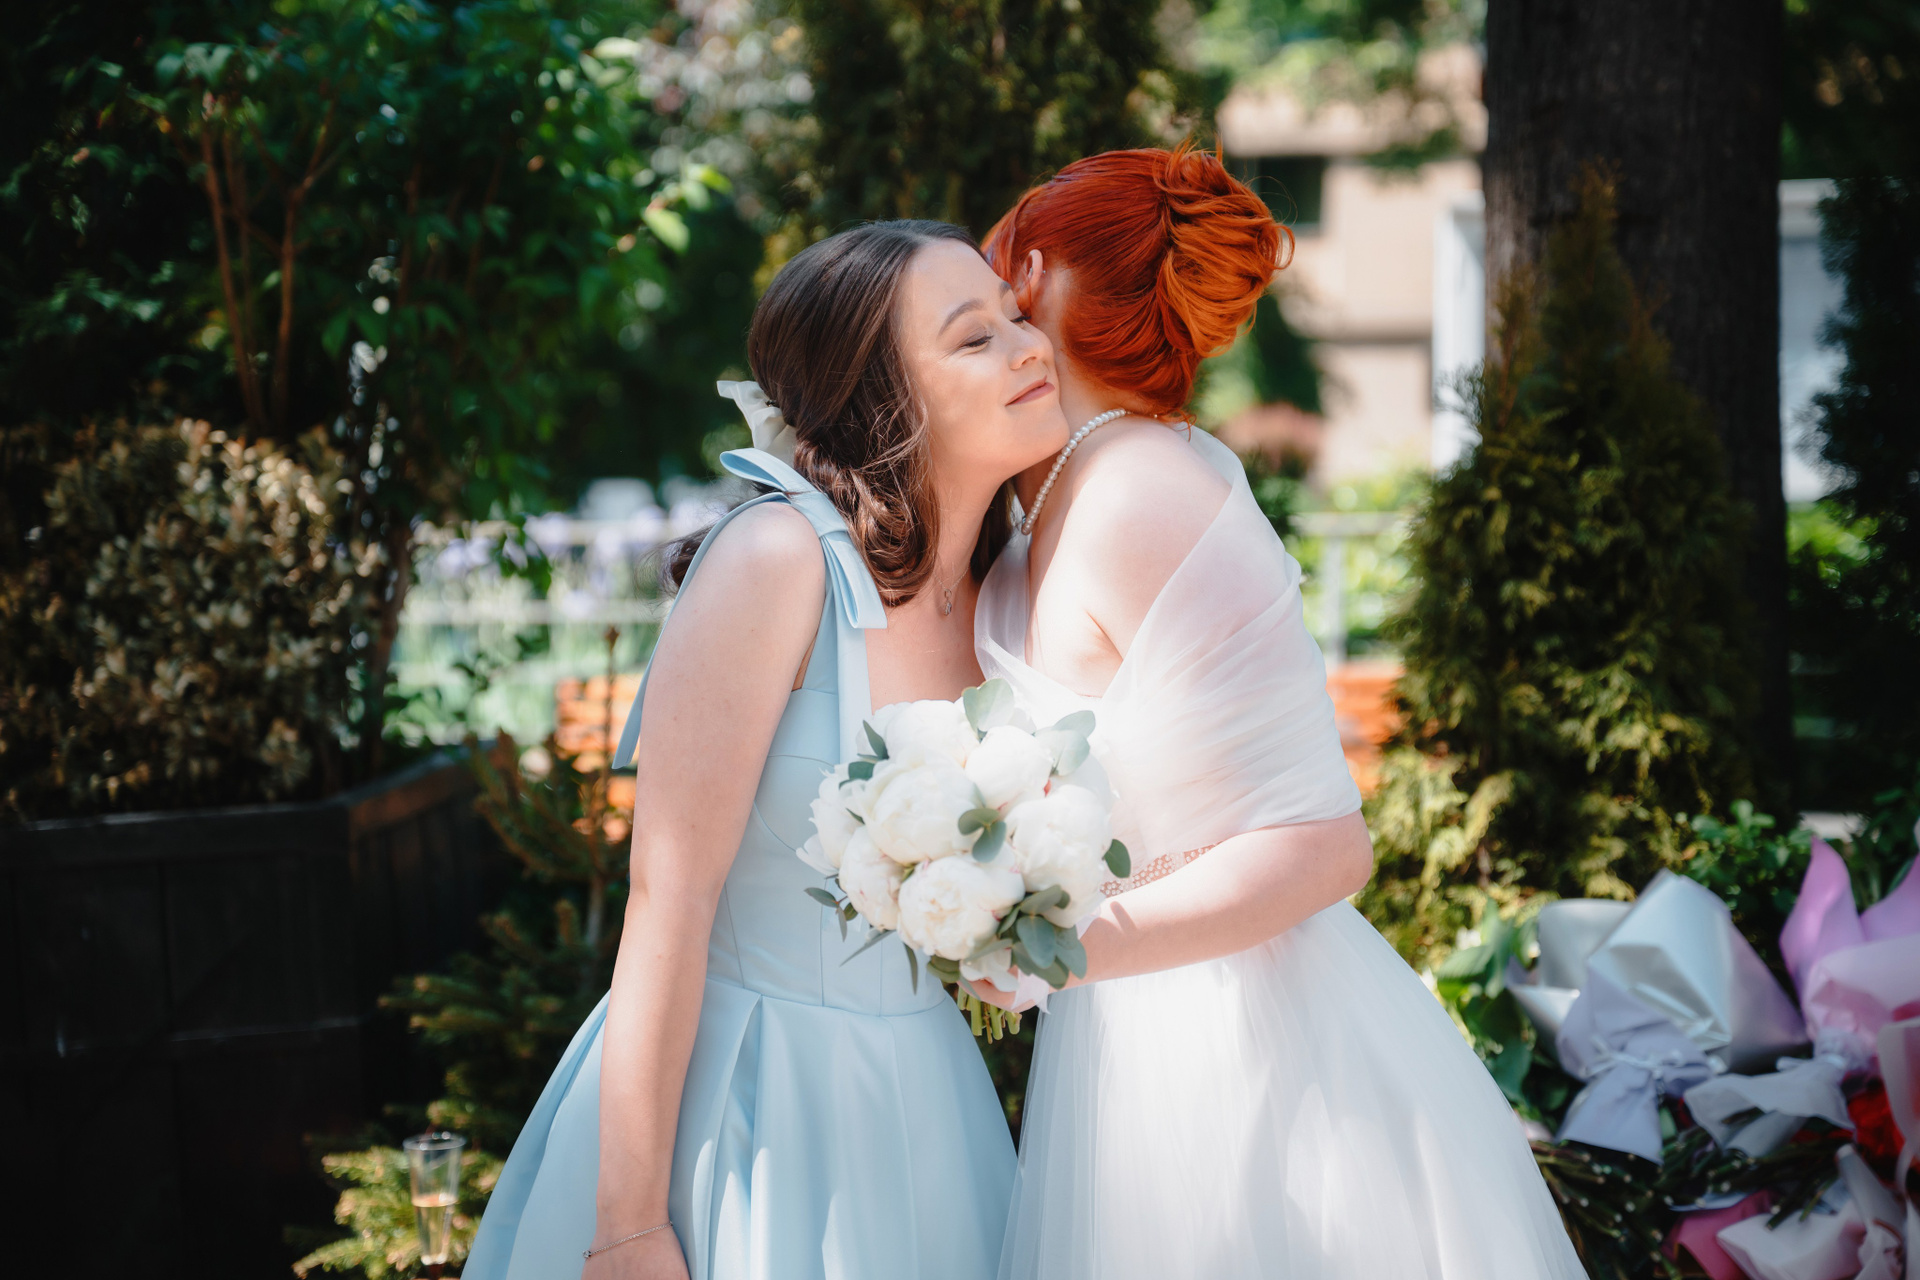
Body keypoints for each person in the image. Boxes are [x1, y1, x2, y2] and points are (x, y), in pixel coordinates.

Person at [973, 146, 1587, 1279]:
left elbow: (1323, 846)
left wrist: (1057, 949)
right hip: (1127, 1029)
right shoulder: (1050, 486)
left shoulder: (1143, 490)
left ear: (1034, 271)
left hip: (1244, 1042)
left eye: (998, 248)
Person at [464, 220, 1072, 1280]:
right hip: (742, 1104)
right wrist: (630, 1227)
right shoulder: (778, 559)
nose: (1031, 347)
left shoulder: (1010, 597)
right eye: (975, 338)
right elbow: (669, 898)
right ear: (882, 399)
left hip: (926, 1105)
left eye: (1019, 319)